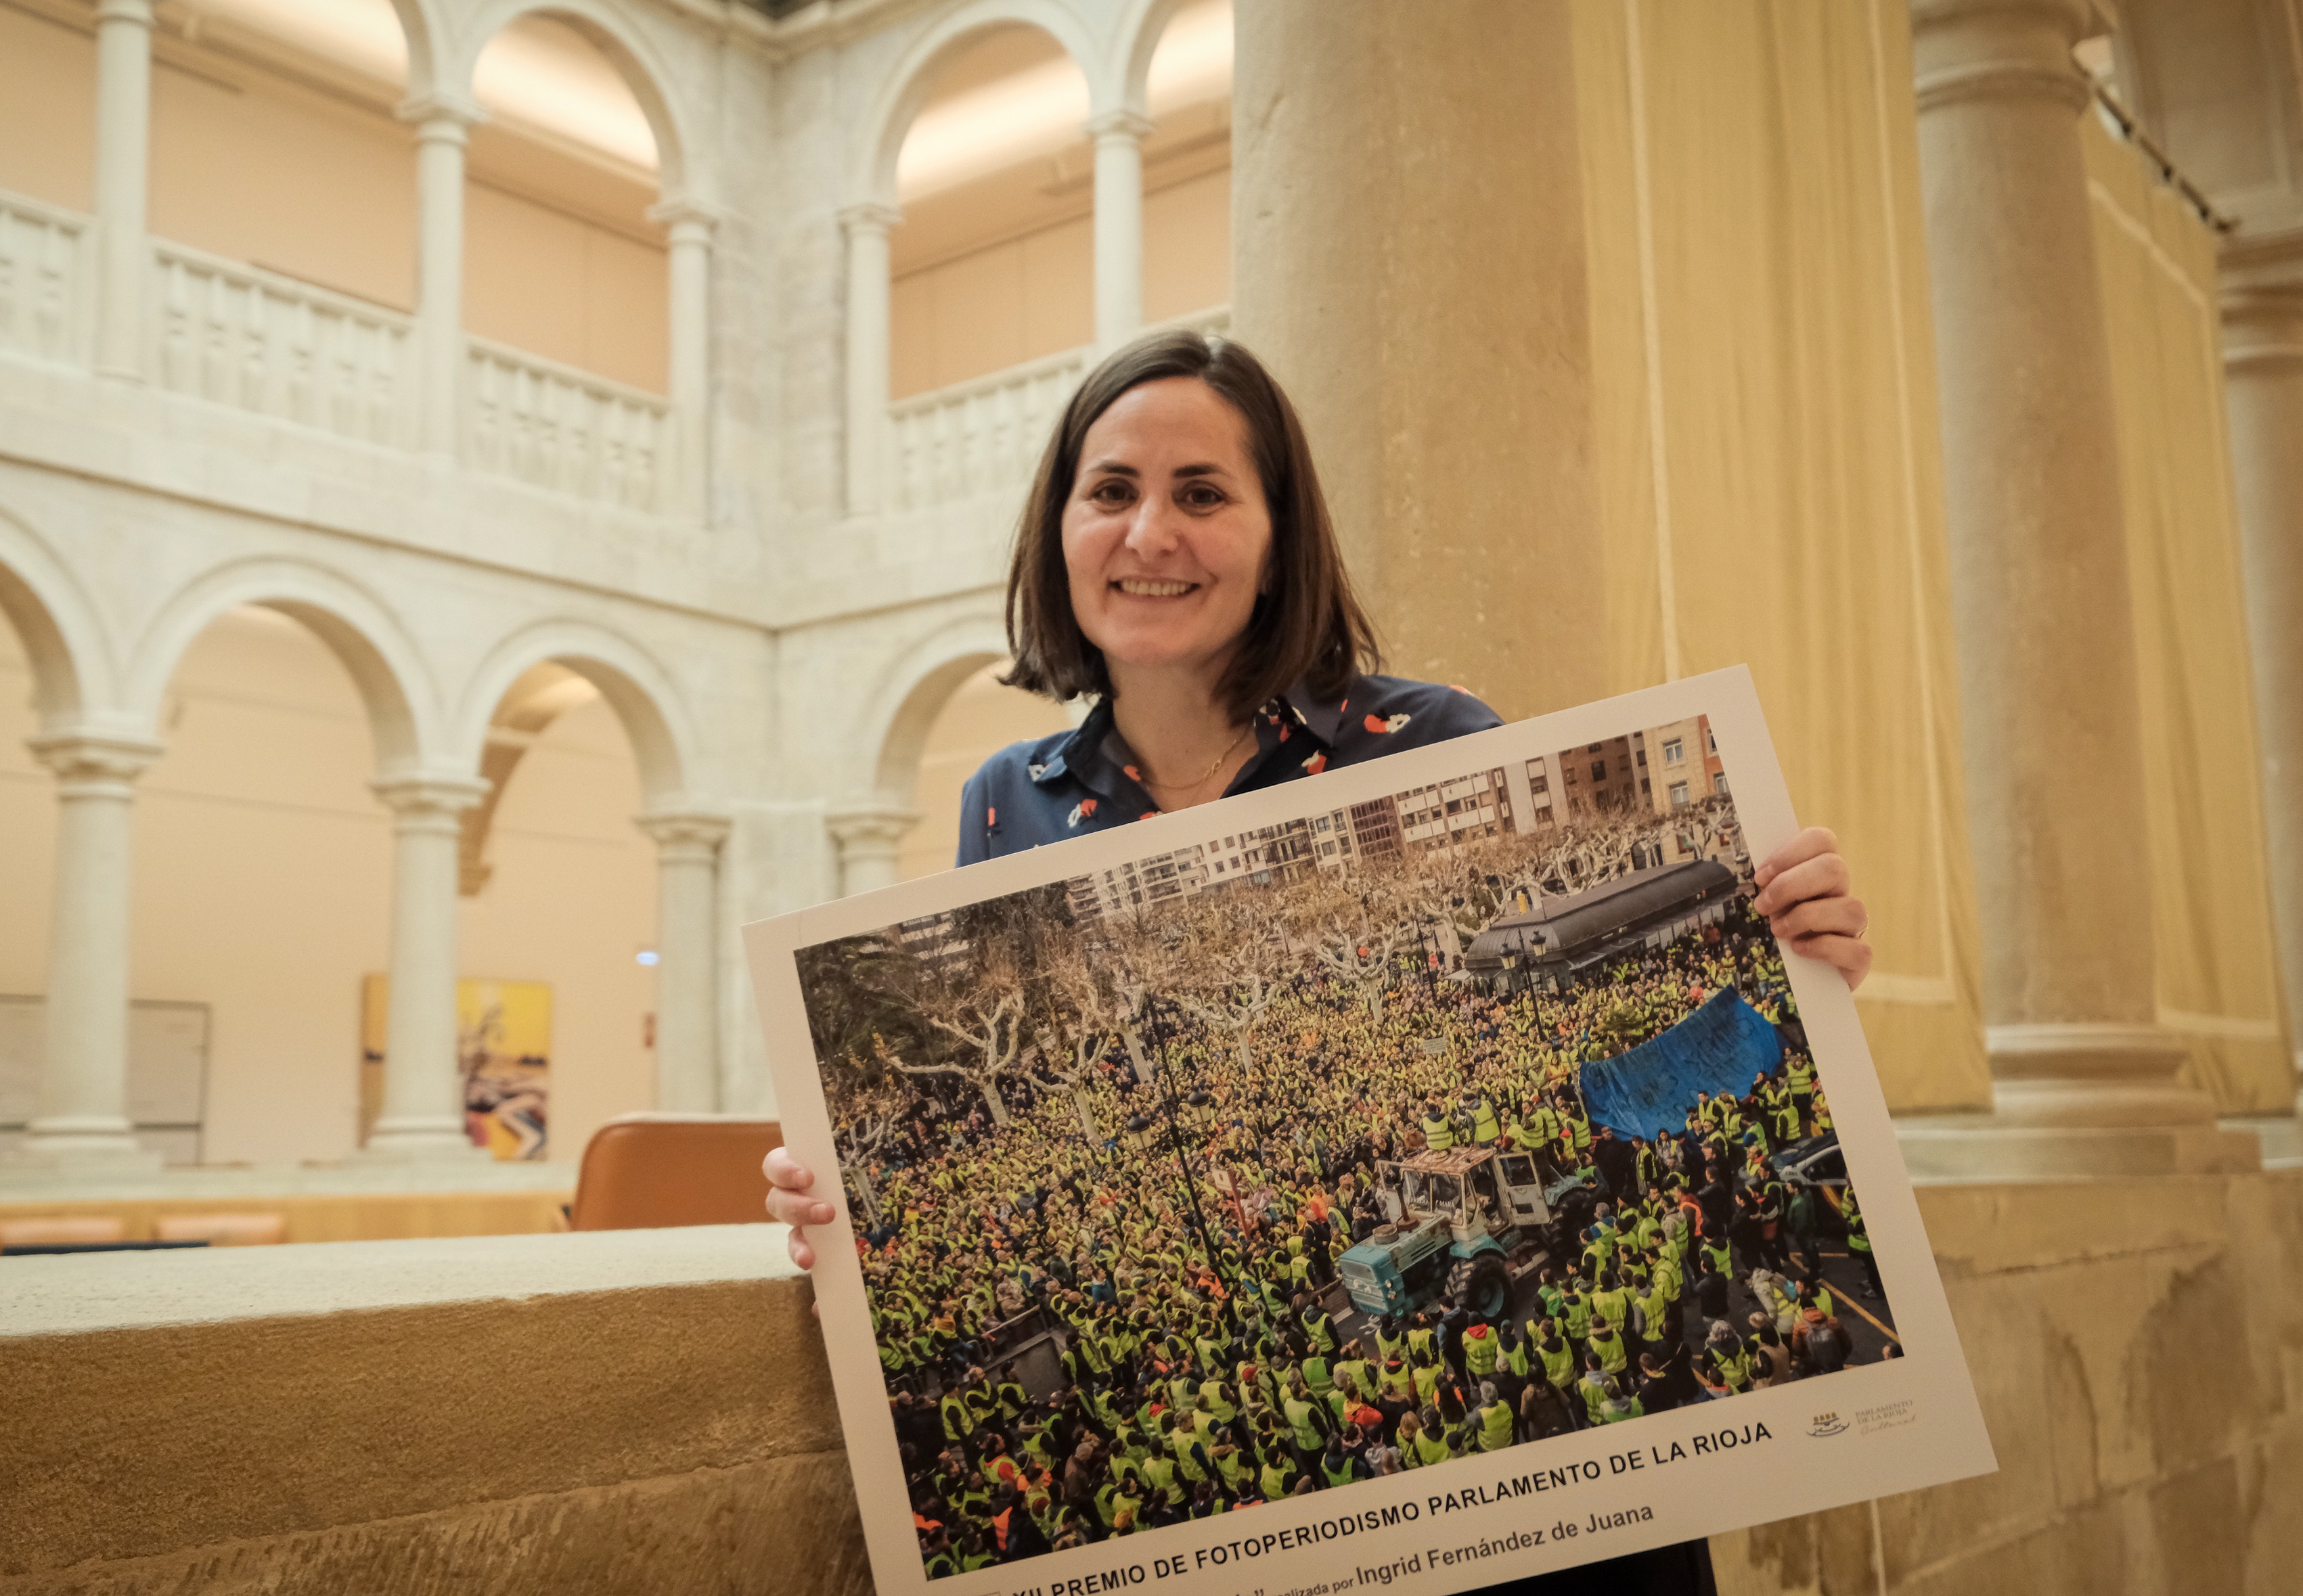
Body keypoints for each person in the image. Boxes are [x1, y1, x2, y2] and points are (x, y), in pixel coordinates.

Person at [765, 331, 1875, 1596]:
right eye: (1112, 492)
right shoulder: (1003, 803)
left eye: (1203, 494)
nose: (1151, 536)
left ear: (1278, 531)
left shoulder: (1431, 739)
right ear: (1058, 528)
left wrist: (1811, 955)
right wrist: (845, 1205)